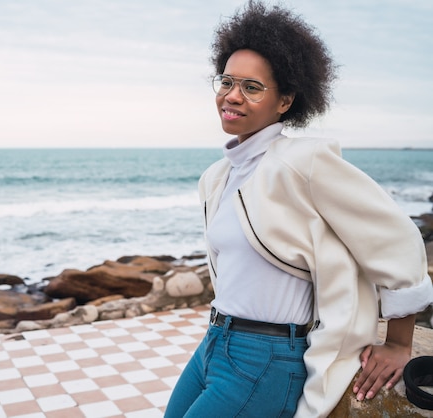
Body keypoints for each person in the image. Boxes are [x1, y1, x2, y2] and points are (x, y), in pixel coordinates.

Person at [164, 1, 433, 417]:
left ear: (286, 101)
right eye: (226, 81)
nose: (232, 96)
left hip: (266, 357)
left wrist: (399, 342)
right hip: (213, 342)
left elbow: (397, 240)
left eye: (252, 87)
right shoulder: (217, 177)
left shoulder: (304, 163)